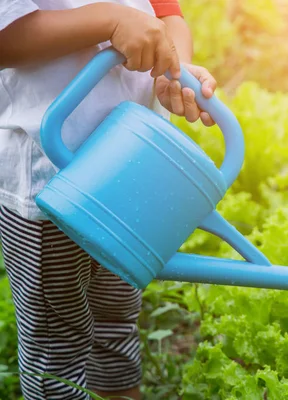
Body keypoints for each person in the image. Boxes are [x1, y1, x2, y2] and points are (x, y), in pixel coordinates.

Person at [0, 1, 217, 398]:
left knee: (116, 317)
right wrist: (111, 20)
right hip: (52, 185)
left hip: (130, 168)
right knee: (58, 342)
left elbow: (166, 11)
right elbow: (7, 37)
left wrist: (174, 69)